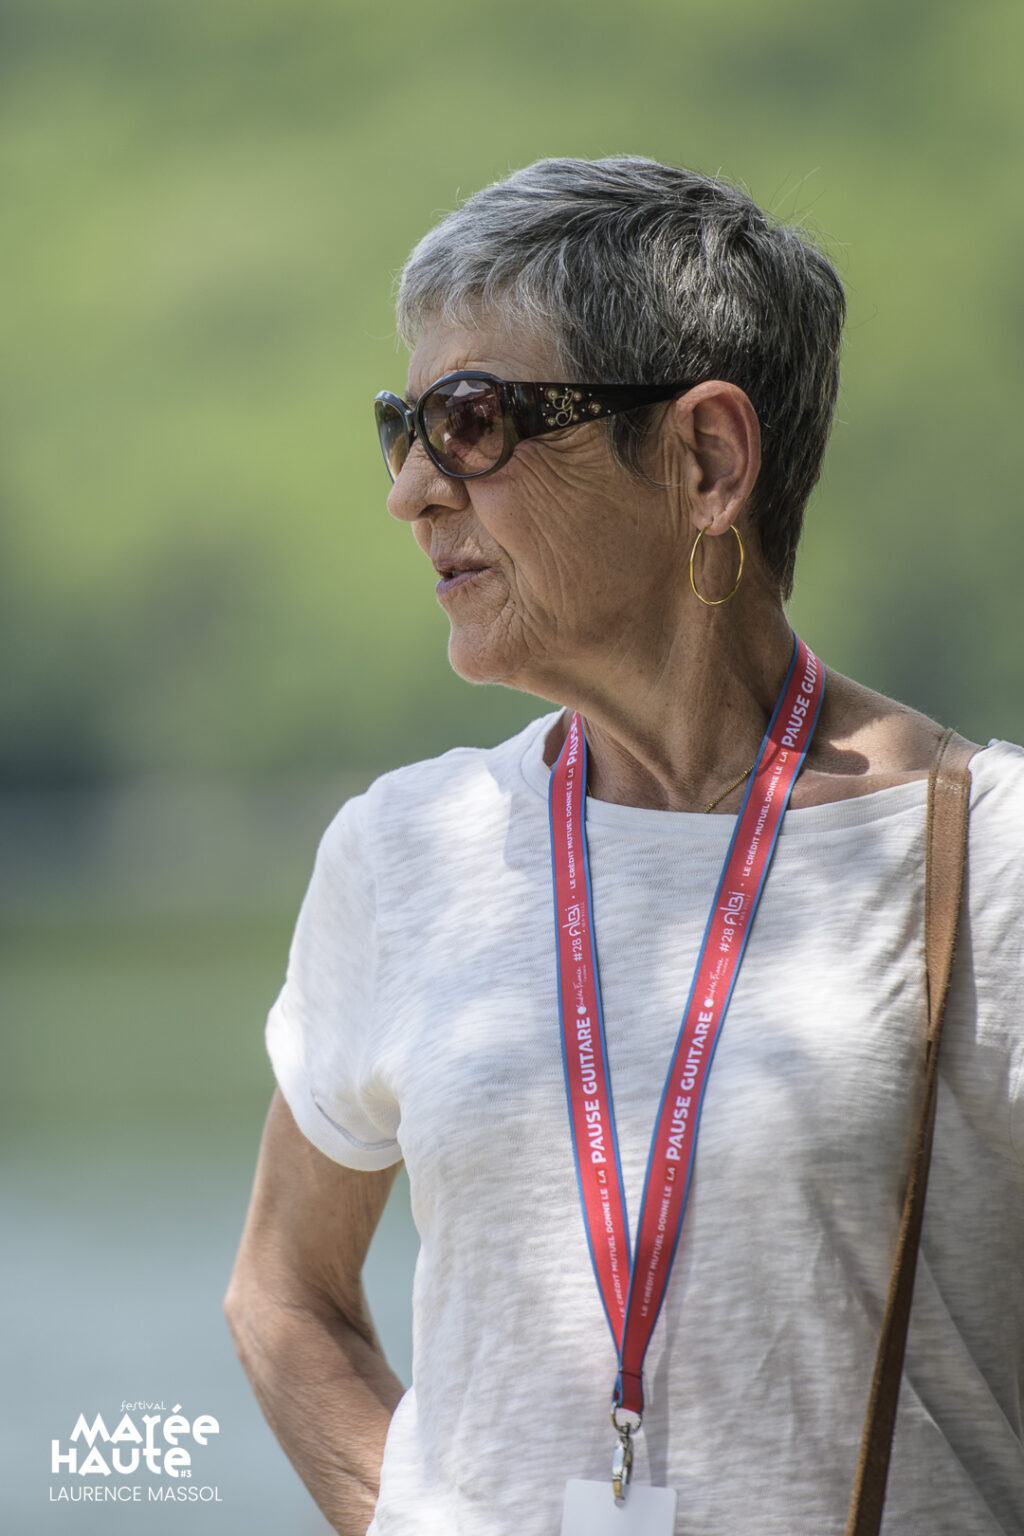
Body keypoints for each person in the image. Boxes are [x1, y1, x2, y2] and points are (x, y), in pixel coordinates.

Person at [224, 157, 1024, 1536]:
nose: (411, 491)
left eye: (470, 422)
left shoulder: (993, 857)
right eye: (402, 428)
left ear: (706, 460)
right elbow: (283, 1294)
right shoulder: (405, 852)